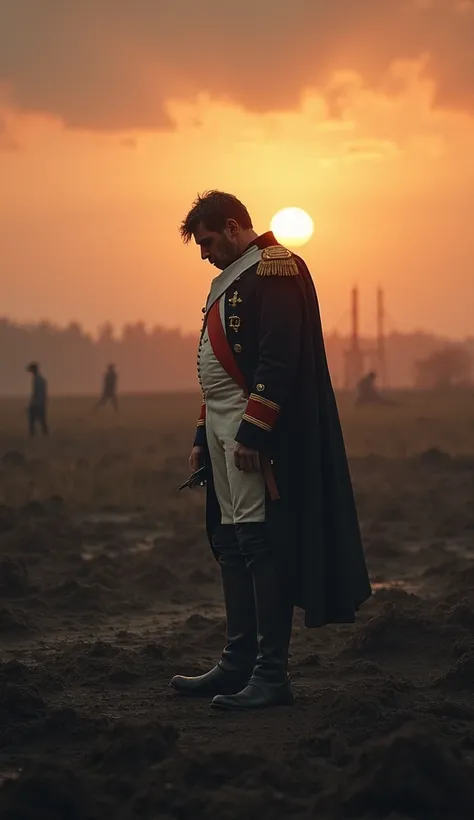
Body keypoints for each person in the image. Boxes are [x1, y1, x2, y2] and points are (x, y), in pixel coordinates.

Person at [170, 191, 371, 711]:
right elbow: (220, 365)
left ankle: (269, 673)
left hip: (249, 426)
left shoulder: (276, 268)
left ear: (234, 227)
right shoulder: (231, 275)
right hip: (221, 423)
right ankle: (237, 663)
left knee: (260, 543)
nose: (204, 254)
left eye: (209, 241)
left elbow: (279, 359)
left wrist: (255, 432)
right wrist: (201, 433)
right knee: (232, 541)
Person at [26, 362, 48, 437]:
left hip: (38, 403)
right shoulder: (41, 379)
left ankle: (32, 435)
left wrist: (32, 403)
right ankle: (44, 434)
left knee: (32, 419)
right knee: (42, 419)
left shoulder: (37, 380)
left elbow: (36, 393)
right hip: (41, 402)